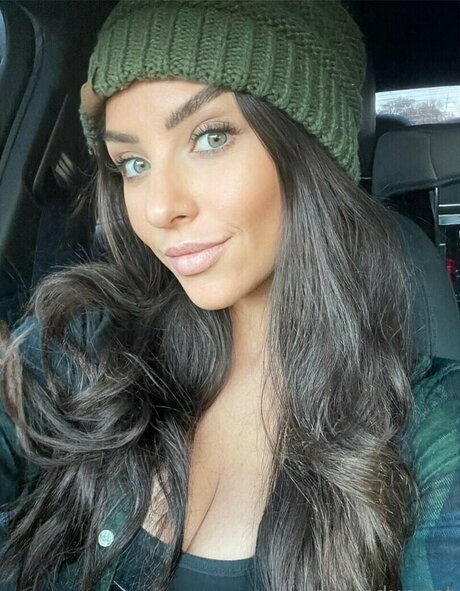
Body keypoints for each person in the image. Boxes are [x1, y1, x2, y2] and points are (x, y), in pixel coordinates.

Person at [0, 1, 459, 590]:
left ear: (308, 149)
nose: (160, 208)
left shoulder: (430, 425)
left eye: (211, 137)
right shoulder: (85, 342)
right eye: (133, 163)